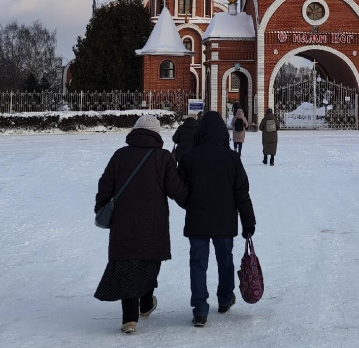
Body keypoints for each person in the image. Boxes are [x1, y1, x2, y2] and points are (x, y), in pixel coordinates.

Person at [94, 114, 188, 335]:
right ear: (156, 134)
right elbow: (176, 189)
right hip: (153, 223)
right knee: (149, 261)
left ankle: (129, 319)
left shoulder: (120, 155)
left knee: (127, 263)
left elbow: (105, 185)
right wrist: (195, 201)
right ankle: (145, 304)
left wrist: (101, 208)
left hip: (123, 222)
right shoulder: (163, 157)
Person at [178, 112, 256, 327]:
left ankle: (200, 310)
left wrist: (189, 204)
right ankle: (224, 299)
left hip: (197, 220)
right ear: (223, 132)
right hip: (225, 221)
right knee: (225, 260)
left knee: (198, 263)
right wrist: (248, 221)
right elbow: (242, 193)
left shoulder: (189, 157)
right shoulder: (232, 158)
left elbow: (178, 189)